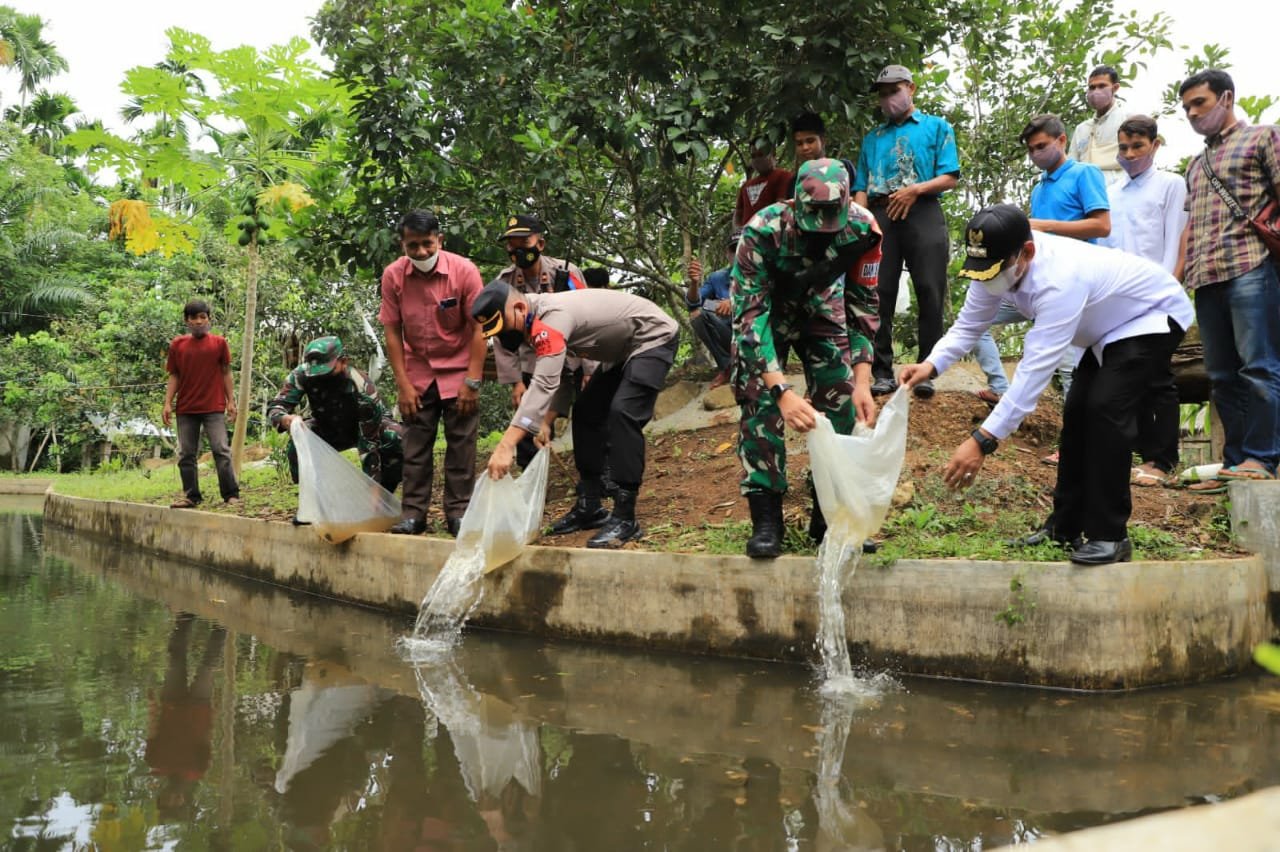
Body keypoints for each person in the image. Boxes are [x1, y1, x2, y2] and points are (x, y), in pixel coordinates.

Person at [899, 204, 1193, 565]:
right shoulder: (992, 265)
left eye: (996, 270)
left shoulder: (1059, 279)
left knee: (1105, 409)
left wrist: (982, 440)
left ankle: (1110, 535)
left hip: (1151, 313)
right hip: (1105, 329)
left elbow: (1033, 373)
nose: (987, 279)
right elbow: (968, 326)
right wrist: (931, 365)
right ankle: (1064, 528)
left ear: (1027, 251)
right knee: (1078, 412)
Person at [732, 158, 882, 558]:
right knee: (758, 403)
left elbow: (863, 303)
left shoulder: (865, 229)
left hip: (822, 307)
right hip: (769, 314)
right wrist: (781, 390)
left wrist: (863, 380)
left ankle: (829, 517)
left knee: (843, 401)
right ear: (796, 203)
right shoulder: (762, 231)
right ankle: (767, 520)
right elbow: (749, 316)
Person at [470, 281, 679, 548]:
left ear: (520, 308)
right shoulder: (533, 322)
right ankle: (590, 506)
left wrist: (506, 445)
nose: (504, 337)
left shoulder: (552, 319)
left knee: (622, 413)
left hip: (652, 338)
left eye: (505, 328)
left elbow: (544, 384)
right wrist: (545, 422)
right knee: (586, 411)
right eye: (496, 333)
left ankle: (626, 517)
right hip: (622, 352)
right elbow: (563, 375)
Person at [1176, 69, 1280, 488]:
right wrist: (1177, 278)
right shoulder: (1195, 163)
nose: (1192, 113)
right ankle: (1234, 463)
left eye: (1199, 103)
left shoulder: (1263, 137)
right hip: (1208, 277)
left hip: (1251, 267)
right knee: (1221, 376)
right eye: (1186, 108)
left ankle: (1262, 458)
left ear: (1226, 98)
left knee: (1259, 367)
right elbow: (1190, 227)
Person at [971, 114, 1110, 415]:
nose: (1035, 155)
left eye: (1041, 146)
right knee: (974, 322)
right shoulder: (1039, 188)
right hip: (1033, 282)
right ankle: (1000, 388)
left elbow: (1102, 226)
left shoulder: (1085, 174)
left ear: (1062, 140)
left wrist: (1046, 225)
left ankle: (1075, 443)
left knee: (1069, 365)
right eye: (1031, 149)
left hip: (1074, 284)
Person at [853, 63, 961, 400]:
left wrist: (914, 190)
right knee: (878, 292)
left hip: (923, 208)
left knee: (930, 289)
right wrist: (861, 221)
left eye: (894, 91)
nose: (888, 99)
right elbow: (860, 186)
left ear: (911, 88)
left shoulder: (937, 127)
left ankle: (927, 370)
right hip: (881, 214)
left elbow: (950, 177)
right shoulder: (873, 138)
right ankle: (881, 372)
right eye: (883, 94)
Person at [379, 209, 486, 537]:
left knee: (462, 446)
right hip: (417, 374)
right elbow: (392, 331)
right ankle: (413, 514)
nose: (421, 252)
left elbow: (481, 327)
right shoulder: (393, 276)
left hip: (459, 370)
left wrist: (472, 380)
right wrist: (403, 384)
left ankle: (459, 513)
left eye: (427, 243)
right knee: (415, 447)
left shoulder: (465, 271)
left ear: (440, 239)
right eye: (413, 245)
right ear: (403, 245)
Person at [1100, 115, 1187, 487]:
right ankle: (1138, 455)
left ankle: (1163, 460)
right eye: (1123, 147)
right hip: (1120, 300)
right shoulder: (1112, 191)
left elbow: (1177, 240)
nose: (1130, 154)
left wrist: (1170, 289)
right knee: (1127, 378)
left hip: (1159, 295)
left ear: (1155, 144)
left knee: (1158, 378)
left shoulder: (1171, 184)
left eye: (1137, 146)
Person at [494, 213, 592, 469]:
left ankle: (595, 477)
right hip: (532, 364)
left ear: (540, 244)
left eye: (523, 241)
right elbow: (503, 339)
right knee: (528, 423)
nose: (517, 249)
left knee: (589, 419)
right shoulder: (504, 283)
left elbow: (590, 317)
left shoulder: (567, 273)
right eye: (511, 244)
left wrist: (590, 369)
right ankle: (531, 480)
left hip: (572, 359)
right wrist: (515, 381)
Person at [266, 335, 404, 498]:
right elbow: (275, 408)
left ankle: (384, 495)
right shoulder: (301, 374)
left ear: (343, 361)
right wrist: (285, 419)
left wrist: (373, 490)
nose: (320, 376)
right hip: (328, 428)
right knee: (299, 438)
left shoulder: (361, 387)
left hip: (364, 428)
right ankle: (314, 500)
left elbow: (369, 443)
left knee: (395, 435)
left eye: (327, 370)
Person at [162, 299, 240, 509]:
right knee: (186, 453)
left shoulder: (219, 343)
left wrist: (231, 401)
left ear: (208, 319)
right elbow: (174, 375)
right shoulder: (178, 345)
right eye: (193, 318)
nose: (198, 321)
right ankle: (191, 496)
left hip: (213, 407)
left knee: (221, 450)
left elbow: (226, 372)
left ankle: (231, 494)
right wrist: (167, 403)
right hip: (186, 408)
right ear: (186, 321)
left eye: (202, 317)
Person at [146, 613, 225, 818]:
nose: (171, 798)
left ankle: (185, 620)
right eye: (174, 803)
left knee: (175, 659)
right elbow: (207, 737)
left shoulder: (155, 763)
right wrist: (216, 709)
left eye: (165, 801)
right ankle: (221, 625)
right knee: (208, 666)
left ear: (161, 796)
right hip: (199, 710)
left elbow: (153, 731)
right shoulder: (197, 770)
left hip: (171, 705)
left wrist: (152, 706)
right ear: (182, 800)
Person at [685, 232, 738, 389]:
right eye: (733, 250)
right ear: (727, 254)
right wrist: (694, 283)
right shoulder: (717, 277)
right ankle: (726, 367)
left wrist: (734, 303)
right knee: (697, 315)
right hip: (728, 332)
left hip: (756, 332)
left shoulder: (761, 272)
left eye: (742, 248)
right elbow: (693, 304)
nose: (737, 254)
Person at [1071, 65, 1132, 188]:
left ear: (1115, 88)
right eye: (1092, 87)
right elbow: (1072, 165)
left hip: (1121, 192)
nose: (1095, 91)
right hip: (1085, 195)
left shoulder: (1128, 119)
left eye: (1102, 86)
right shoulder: (1082, 129)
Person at [734, 138, 794, 228]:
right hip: (747, 236)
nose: (757, 159)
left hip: (770, 234)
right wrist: (738, 232)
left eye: (761, 154)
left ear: (773, 155)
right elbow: (738, 214)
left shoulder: (784, 176)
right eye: (753, 156)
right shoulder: (745, 186)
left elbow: (781, 208)